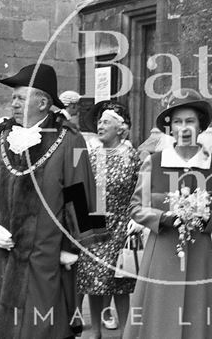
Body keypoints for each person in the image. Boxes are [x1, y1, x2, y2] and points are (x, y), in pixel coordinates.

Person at [0, 63, 107, 339]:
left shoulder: (70, 140)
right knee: (4, 323)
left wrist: (71, 248)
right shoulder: (1, 137)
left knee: (43, 325)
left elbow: (81, 194)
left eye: (20, 97)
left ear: (43, 103)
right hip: (1, 250)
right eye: (13, 98)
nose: (13, 104)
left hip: (47, 254)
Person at [123, 89, 212, 339]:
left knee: (197, 318)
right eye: (177, 122)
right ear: (170, 128)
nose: (184, 128)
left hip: (199, 257)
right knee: (157, 319)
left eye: (190, 121)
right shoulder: (153, 163)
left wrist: (205, 218)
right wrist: (162, 218)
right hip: (161, 253)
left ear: (200, 127)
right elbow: (135, 208)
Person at [76, 100, 141, 338]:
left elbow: (140, 190)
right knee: (93, 278)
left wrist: (137, 219)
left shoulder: (132, 156)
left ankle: (125, 330)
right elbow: (81, 189)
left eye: (106, 122)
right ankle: (95, 330)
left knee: (120, 281)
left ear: (119, 128)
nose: (100, 125)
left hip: (123, 224)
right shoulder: (91, 155)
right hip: (95, 224)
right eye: (99, 122)